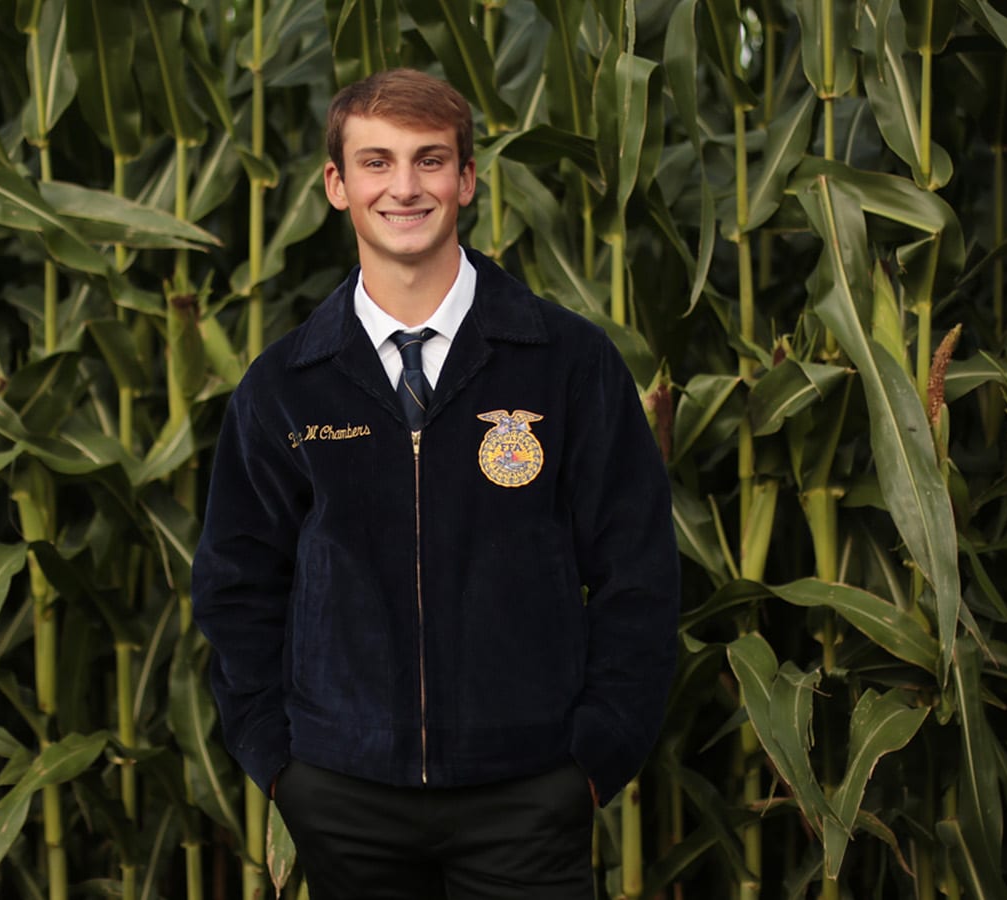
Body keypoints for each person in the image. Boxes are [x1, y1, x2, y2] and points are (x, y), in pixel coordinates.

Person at [191, 68, 680, 899]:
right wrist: (282, 766)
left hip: (527, 793)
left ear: (466, 180)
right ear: (337, 187)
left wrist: (593, 761)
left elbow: (640, 575)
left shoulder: (567, 363)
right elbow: (237, 587)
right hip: (346, 798)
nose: (405, 187)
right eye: (376, 163)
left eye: (430, 160)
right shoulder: (286, 386)